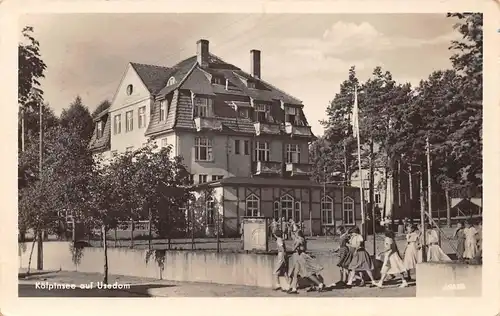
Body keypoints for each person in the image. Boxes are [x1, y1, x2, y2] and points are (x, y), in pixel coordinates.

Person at [287, 229, 325, 294]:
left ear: (298, 234)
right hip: (300, 257)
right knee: (297, 273)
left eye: (295, 233)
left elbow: (293, 249)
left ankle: (319, 284)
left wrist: (292, 245)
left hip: (301, 257)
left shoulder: (299, 240)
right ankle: (294, 288)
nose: (294, 234)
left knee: (307, 274)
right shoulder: (302, 239)